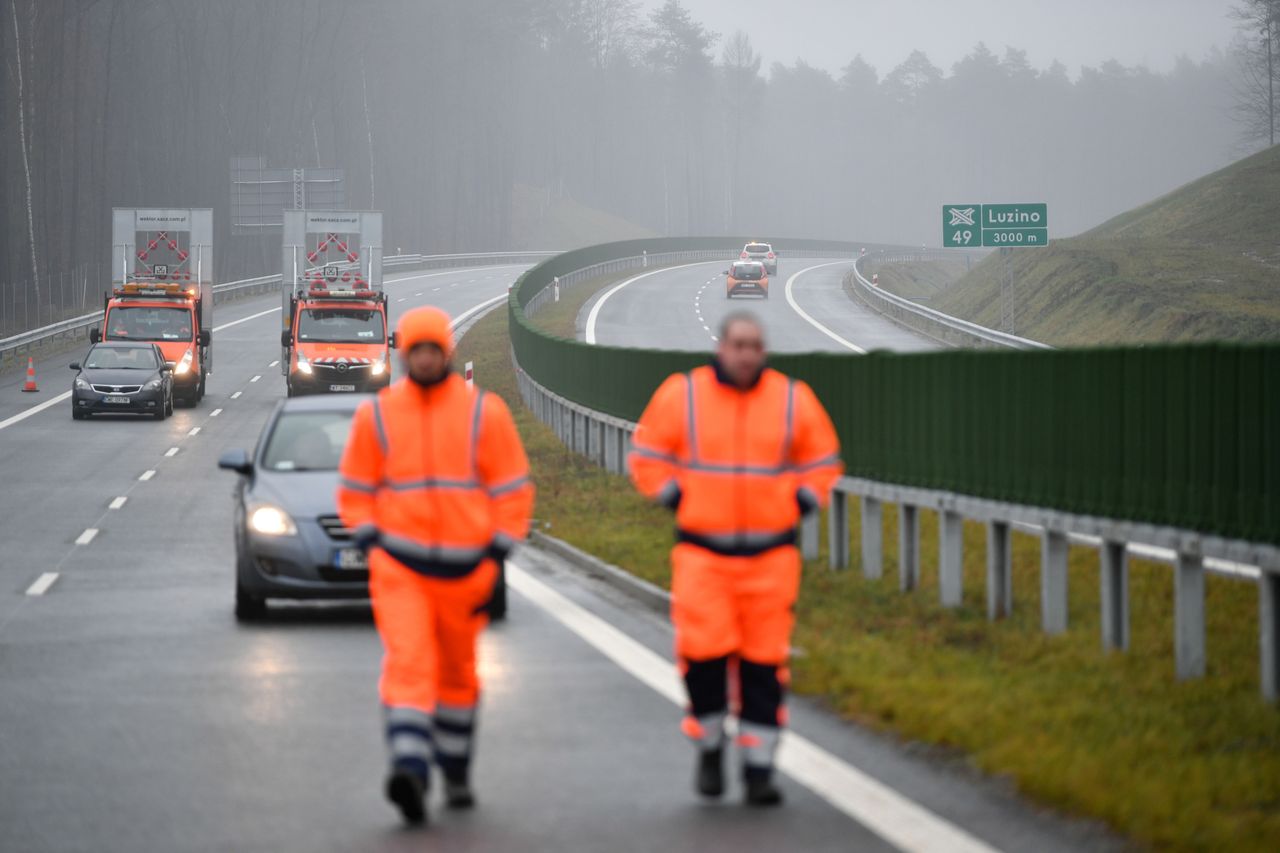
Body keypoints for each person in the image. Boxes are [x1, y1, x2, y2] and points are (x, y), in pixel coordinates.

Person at [629, 311, 843, 806]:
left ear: (763, 352)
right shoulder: (682, 394)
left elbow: (823, 459)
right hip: (704, 555)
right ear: (721, 346)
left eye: (755, 345)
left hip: (772, 558)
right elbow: (646, 455)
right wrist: (675, 495)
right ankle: (709, 747)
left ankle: (759, 769)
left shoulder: (792, 399)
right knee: (703, 658)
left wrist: (804, 500)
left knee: (763, 665)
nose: (746, 353)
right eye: (738, 343)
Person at [338, 306, 534, 826]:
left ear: (446, 353)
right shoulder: (377, 414)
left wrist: (500, 546)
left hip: (466, 569)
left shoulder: (482, 413)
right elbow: (355, 489)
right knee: (409, 663)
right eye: (416, 351)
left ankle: (454, 769)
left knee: (457, 675)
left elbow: (511, 487)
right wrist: (370, 536)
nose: (424, 359)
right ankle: (410, 769)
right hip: (400, 567)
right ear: (406, 356)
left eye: (433, 350)